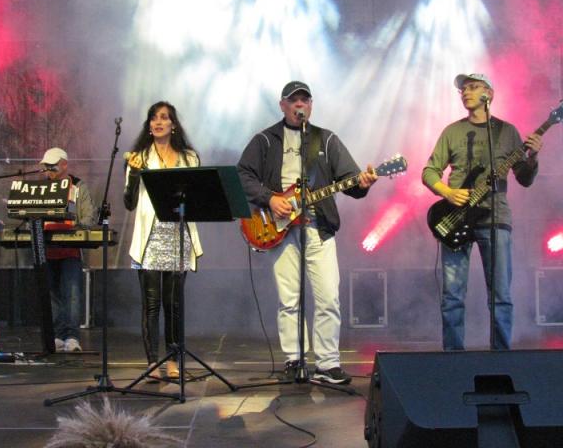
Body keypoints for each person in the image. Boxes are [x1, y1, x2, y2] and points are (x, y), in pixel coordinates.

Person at [237, 81, 378, 384]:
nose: (299, 105)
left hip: (318, 228)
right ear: (283, 105)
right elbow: (242, 174)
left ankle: (327, 364)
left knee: (328, 298)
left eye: (304, 100)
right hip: (279, 227)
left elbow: (350, 181)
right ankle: (294, 359)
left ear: (311, 106)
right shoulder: (265, 140)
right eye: (293, 100)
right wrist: (270, 199)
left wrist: (362, 183)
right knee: (289, 299)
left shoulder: (326, 140)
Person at [422, 73, 544, 351]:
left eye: (473, 87)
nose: (466, 92)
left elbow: (524, 178)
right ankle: (453, 357)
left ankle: (501, 355)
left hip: (495, 218)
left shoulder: (507, 132)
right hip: (454, 218)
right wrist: (447, 192)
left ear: (489, 93)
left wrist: (534, 157)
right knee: (452, 296)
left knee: (500, 295)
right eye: (463, 89)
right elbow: (429, 171)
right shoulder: (452, 132)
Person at [124, 101, 203, 380]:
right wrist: (134, 173)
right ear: (149, 125)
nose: (158, 122)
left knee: (174, 305)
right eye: (154, 118)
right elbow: (129, 202)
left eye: (164, 117)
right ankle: (152, 362)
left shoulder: (189, 158)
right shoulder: (139, 158)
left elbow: (198, 198)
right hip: (150, 238)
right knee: (151, 304)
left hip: (178, 236)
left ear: (173, 124)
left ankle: (173, 360)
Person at [40, 147, 96, 352]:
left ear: (64, 165)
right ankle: (57, 334)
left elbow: (89, 216)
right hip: (47, 248)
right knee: (52, 294)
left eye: (52, 165)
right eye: (46, 166)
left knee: (71, 294)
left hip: (71, 249)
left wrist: (76, 226)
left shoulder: (78, 187)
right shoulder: (41, 188)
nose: (49, 169)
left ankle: (72, 336)